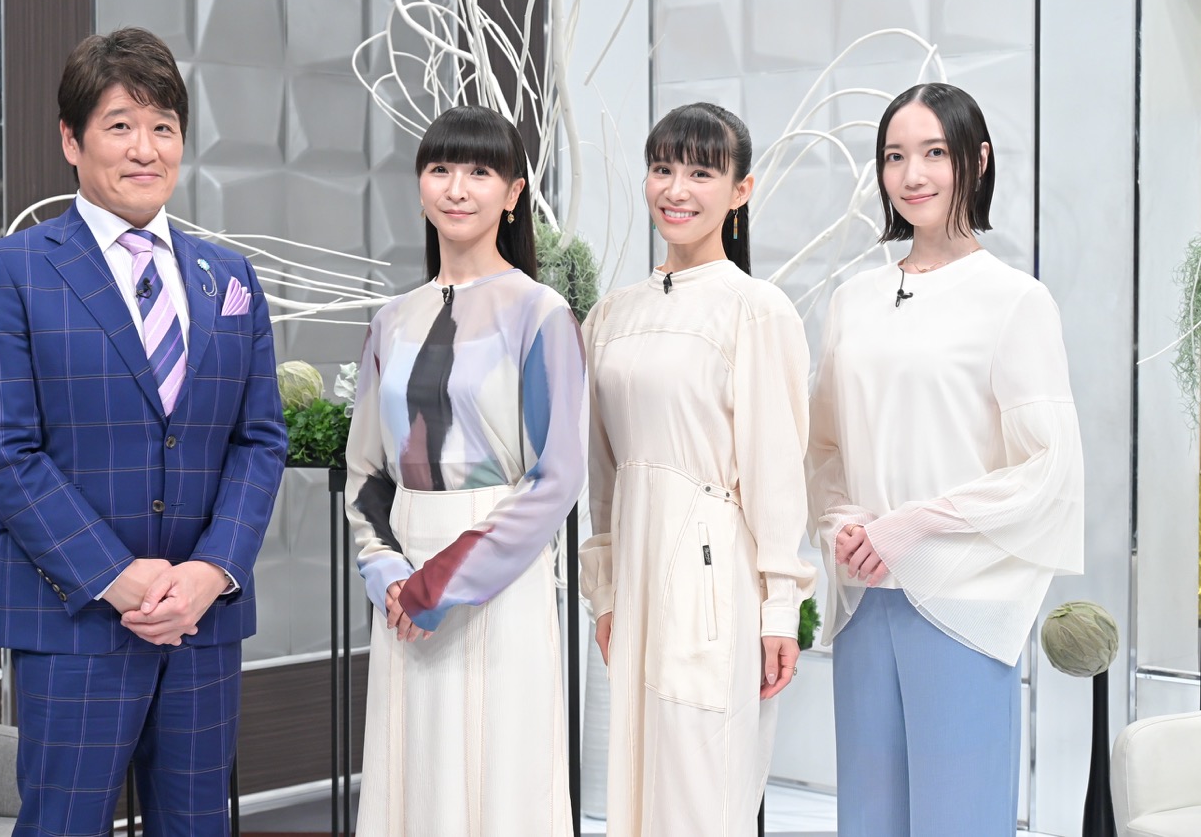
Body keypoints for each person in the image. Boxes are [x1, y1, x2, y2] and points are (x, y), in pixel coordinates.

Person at [0, 27, 287, 836]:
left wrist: (211, 570)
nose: (146, 148)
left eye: (163, 126)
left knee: (198, 824)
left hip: (202, 624)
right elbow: (2, 448)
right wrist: (117, 576)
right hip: (73, 621)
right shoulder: (14, 268)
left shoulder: (229, 276)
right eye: (119, 125)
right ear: (71, 141)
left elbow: (258, 440)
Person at [808, 82, 1084, 836]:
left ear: (978, 159)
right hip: (866, 594)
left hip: (963, 601)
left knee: (958, 819)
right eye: (895, 156)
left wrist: (915, 524)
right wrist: (842, 522)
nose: (913, 174)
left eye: (934, 152)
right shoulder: (853, 300)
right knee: (868, 818)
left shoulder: (1014, 300)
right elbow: (825, 447)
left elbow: (1048, 467)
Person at [344, 104, 587, 836]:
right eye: (441, 168)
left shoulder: (541, 313)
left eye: (480, 171)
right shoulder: (391, 319)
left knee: (498, 779)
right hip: (402, 584)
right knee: (412, 779)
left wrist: (439, 585)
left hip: (497, 580)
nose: (457, 187)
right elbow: (365, 469)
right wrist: (388, 573)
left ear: (513, 193)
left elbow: (557, 476)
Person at [579, 102, 816, 836]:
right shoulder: (611, 314)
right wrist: (605, 590)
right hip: (636, 576)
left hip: (715, 573)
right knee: (637, 788)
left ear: (741, 190)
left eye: (701, 173)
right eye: (662, 169)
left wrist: (780, 609)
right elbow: (603, 472)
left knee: (702, 789)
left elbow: (778, 473)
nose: (676, 190)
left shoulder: (756, 308)